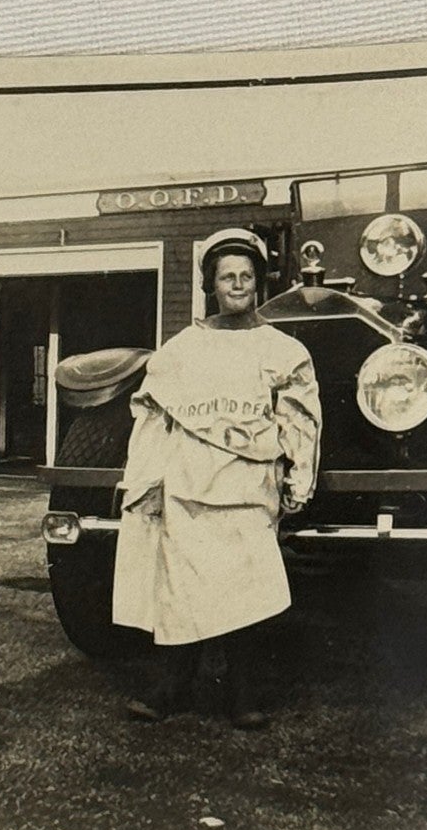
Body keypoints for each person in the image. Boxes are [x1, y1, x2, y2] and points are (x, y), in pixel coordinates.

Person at [112, 228, 322, 728]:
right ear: (211, 283)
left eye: (247, 276)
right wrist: (147, 482)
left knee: (249, 591)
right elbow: (154, 420)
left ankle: (244, 695)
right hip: (189, 485)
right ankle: (171, 688)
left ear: (259, 283)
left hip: (248, 489)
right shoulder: (183, 348)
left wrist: (298, 478)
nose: (238, 284)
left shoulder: (281, 348)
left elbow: (299, 418)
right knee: (181, 588)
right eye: (227, 276)